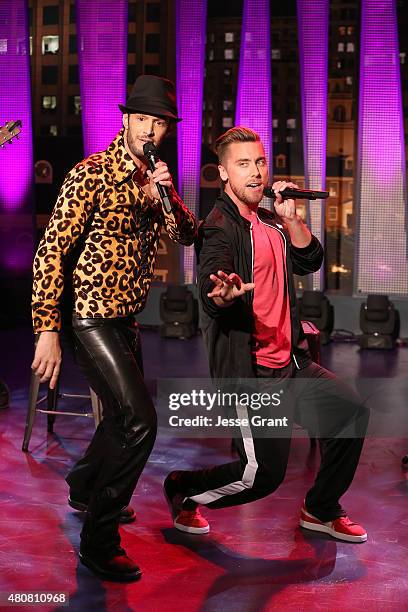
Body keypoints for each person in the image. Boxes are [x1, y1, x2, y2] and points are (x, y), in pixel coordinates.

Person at [164, 126, 369, 543]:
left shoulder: (273, 221)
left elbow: (310, 260)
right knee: (260, 476)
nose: (256, 172)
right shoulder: (220, 226)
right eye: (243, 164)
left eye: (259, 161)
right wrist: (222, 295)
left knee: (350, 414)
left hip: (291, 363)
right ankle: (183, 490)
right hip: (252, 374)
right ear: (223, 173)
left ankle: (321, 508)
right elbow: (210, 287)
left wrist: (294, 221)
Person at [31, 75, 197, 581]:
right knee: (141, 422)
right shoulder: (92, 174)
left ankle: (84, 487)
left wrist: (166, 193)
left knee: (118, 420)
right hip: (89, 314)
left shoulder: (155, 180)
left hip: (125, 318)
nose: (150, 129)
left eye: (159, 123)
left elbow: (187, 235)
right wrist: (47, 328)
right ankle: (99, 539)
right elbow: (52, 250)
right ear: (125, 120)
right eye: (142, 118)